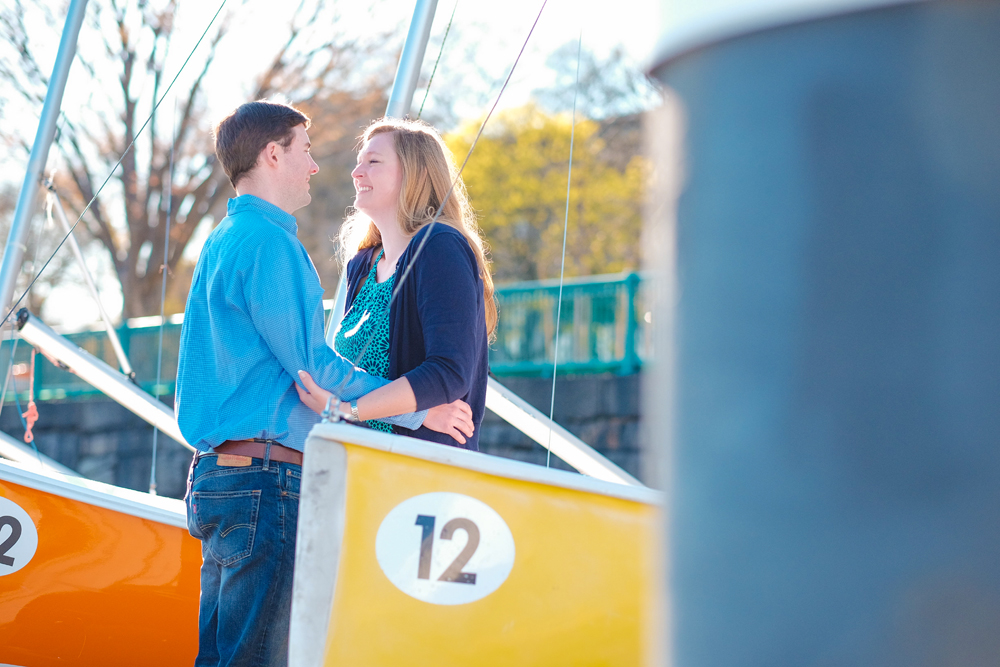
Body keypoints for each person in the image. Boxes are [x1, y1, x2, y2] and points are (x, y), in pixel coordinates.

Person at [175, 100, 473, 667]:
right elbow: (315, 369)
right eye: (305, 151)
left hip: (224, 476)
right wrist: (419, 410)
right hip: (265, 481)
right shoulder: (269, 244)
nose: (315, 166)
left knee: (221, 656)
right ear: (272, 154)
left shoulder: (222, 240)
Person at [296, 117, 496, 451]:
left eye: (373, 162)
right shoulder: (362, 264)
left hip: (418, 475)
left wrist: (348, 410)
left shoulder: (439, 245)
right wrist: (418, 413)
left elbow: (448, 371)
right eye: (359, 163)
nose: (356, 173)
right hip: (359, 466)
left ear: (414, 173)